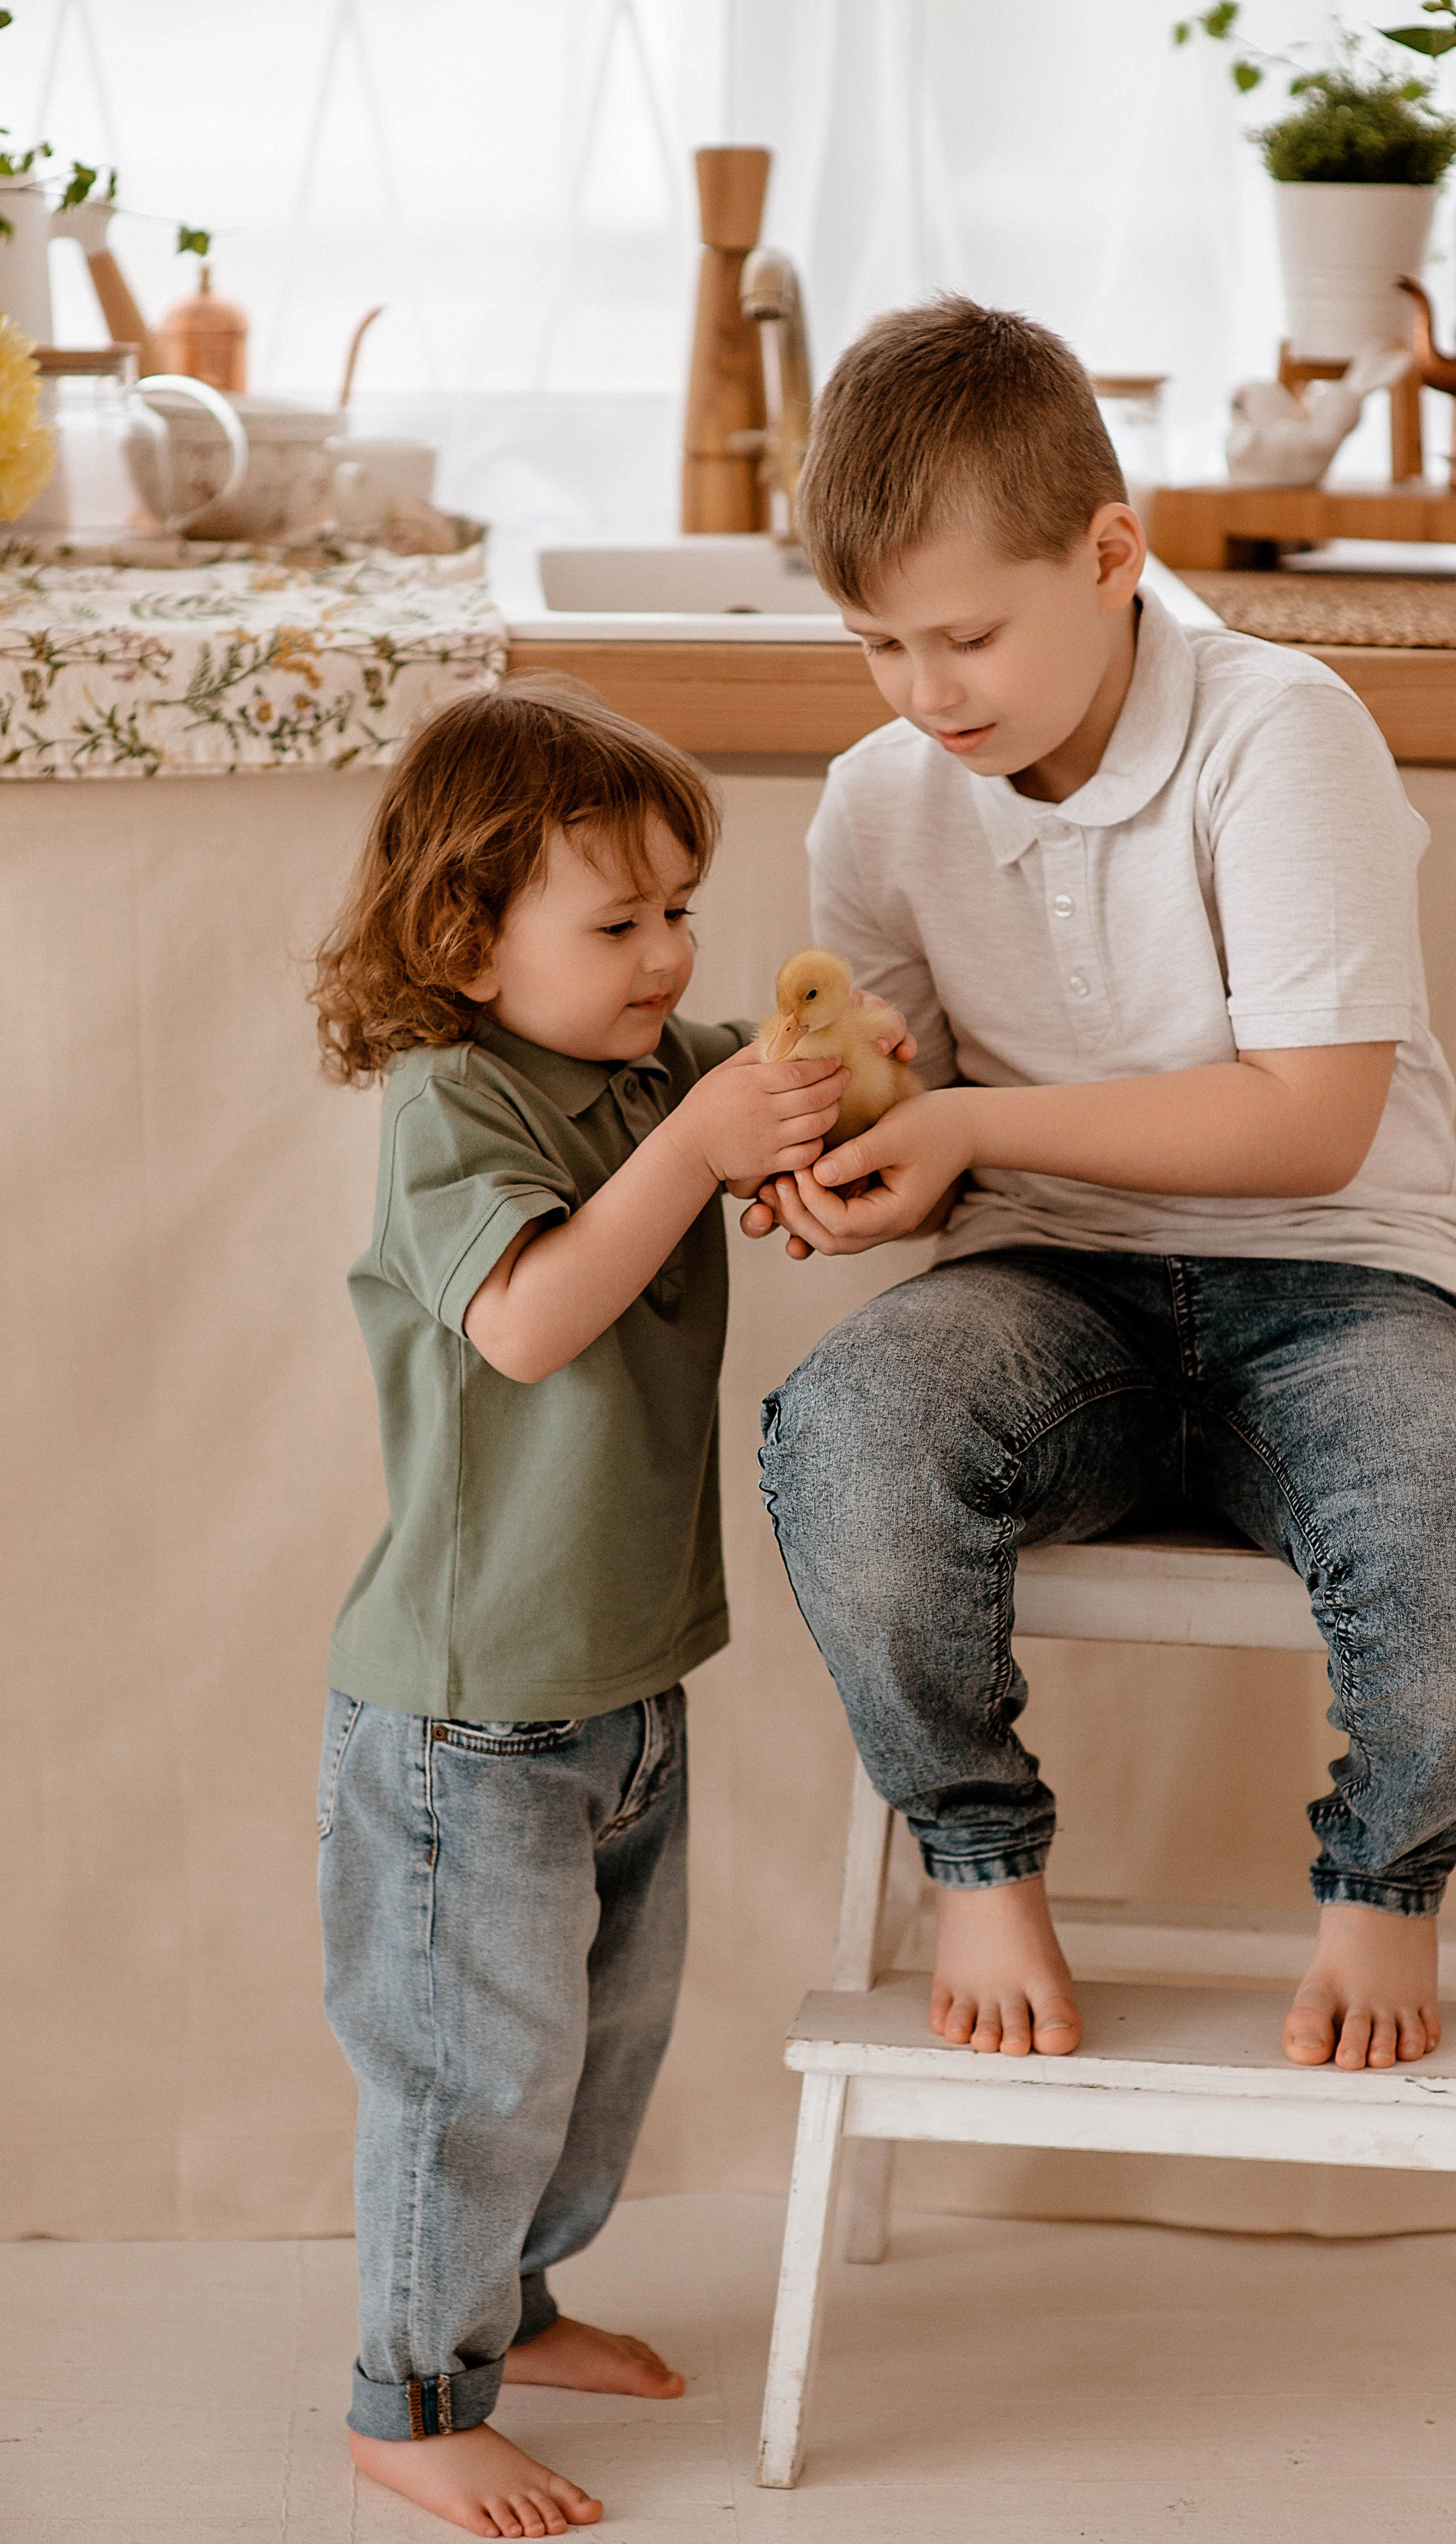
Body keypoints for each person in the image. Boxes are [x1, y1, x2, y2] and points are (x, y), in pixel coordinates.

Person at [746, 298, 1456, 2077]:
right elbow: (909, 1102)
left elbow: (1309, 1125)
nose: (925, 691)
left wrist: (970, 1137)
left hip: (1344, 1280)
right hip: (1050, 1287)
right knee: (843, 1434)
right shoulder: (880, 803)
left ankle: (1384, 1876)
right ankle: (973, 1851)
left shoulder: (1279, 730)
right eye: (877, 644)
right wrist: (853, 1176)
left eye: (966, 635)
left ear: (1113, 554)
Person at [310, 683, 904, 2538]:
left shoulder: (648, 1067)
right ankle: (407, 2394)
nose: (667, 958)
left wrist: (841, 1093)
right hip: (471, 1709)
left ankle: (514, 2302)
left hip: (625, 1685)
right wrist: (699, 1146)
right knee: (471, 2071)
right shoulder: (455, 1102)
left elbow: (769, 1094)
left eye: (679, 915)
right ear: (465, 936)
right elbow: (529, 1318)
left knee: (588, 2055)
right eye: (618, 921)